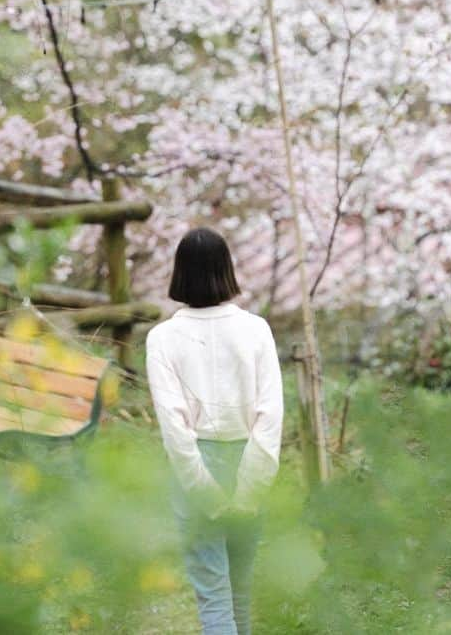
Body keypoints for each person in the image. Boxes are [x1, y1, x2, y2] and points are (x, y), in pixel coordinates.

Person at [145, 227, 284, 635]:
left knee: (213, 596)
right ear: (227, 268)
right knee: (240, 589)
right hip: (249, 456)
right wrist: (250, 487)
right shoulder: (256, 329)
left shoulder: (163, 338)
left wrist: (202, 488)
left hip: (195, 464)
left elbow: (174, 426)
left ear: (179, 272)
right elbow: (270, 414)